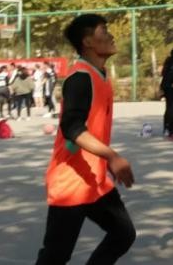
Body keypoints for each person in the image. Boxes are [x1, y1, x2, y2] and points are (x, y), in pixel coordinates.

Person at [35, 14, 136, 265]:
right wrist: (111, 156)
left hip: (95, 180)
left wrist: (104, 161)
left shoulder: (100, 74)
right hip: (71, 180)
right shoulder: (80, 77)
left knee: (123, 234)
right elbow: (72, 127)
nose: (111, 35)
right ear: (88, 41)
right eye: (104, 30)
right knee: (56, 256)